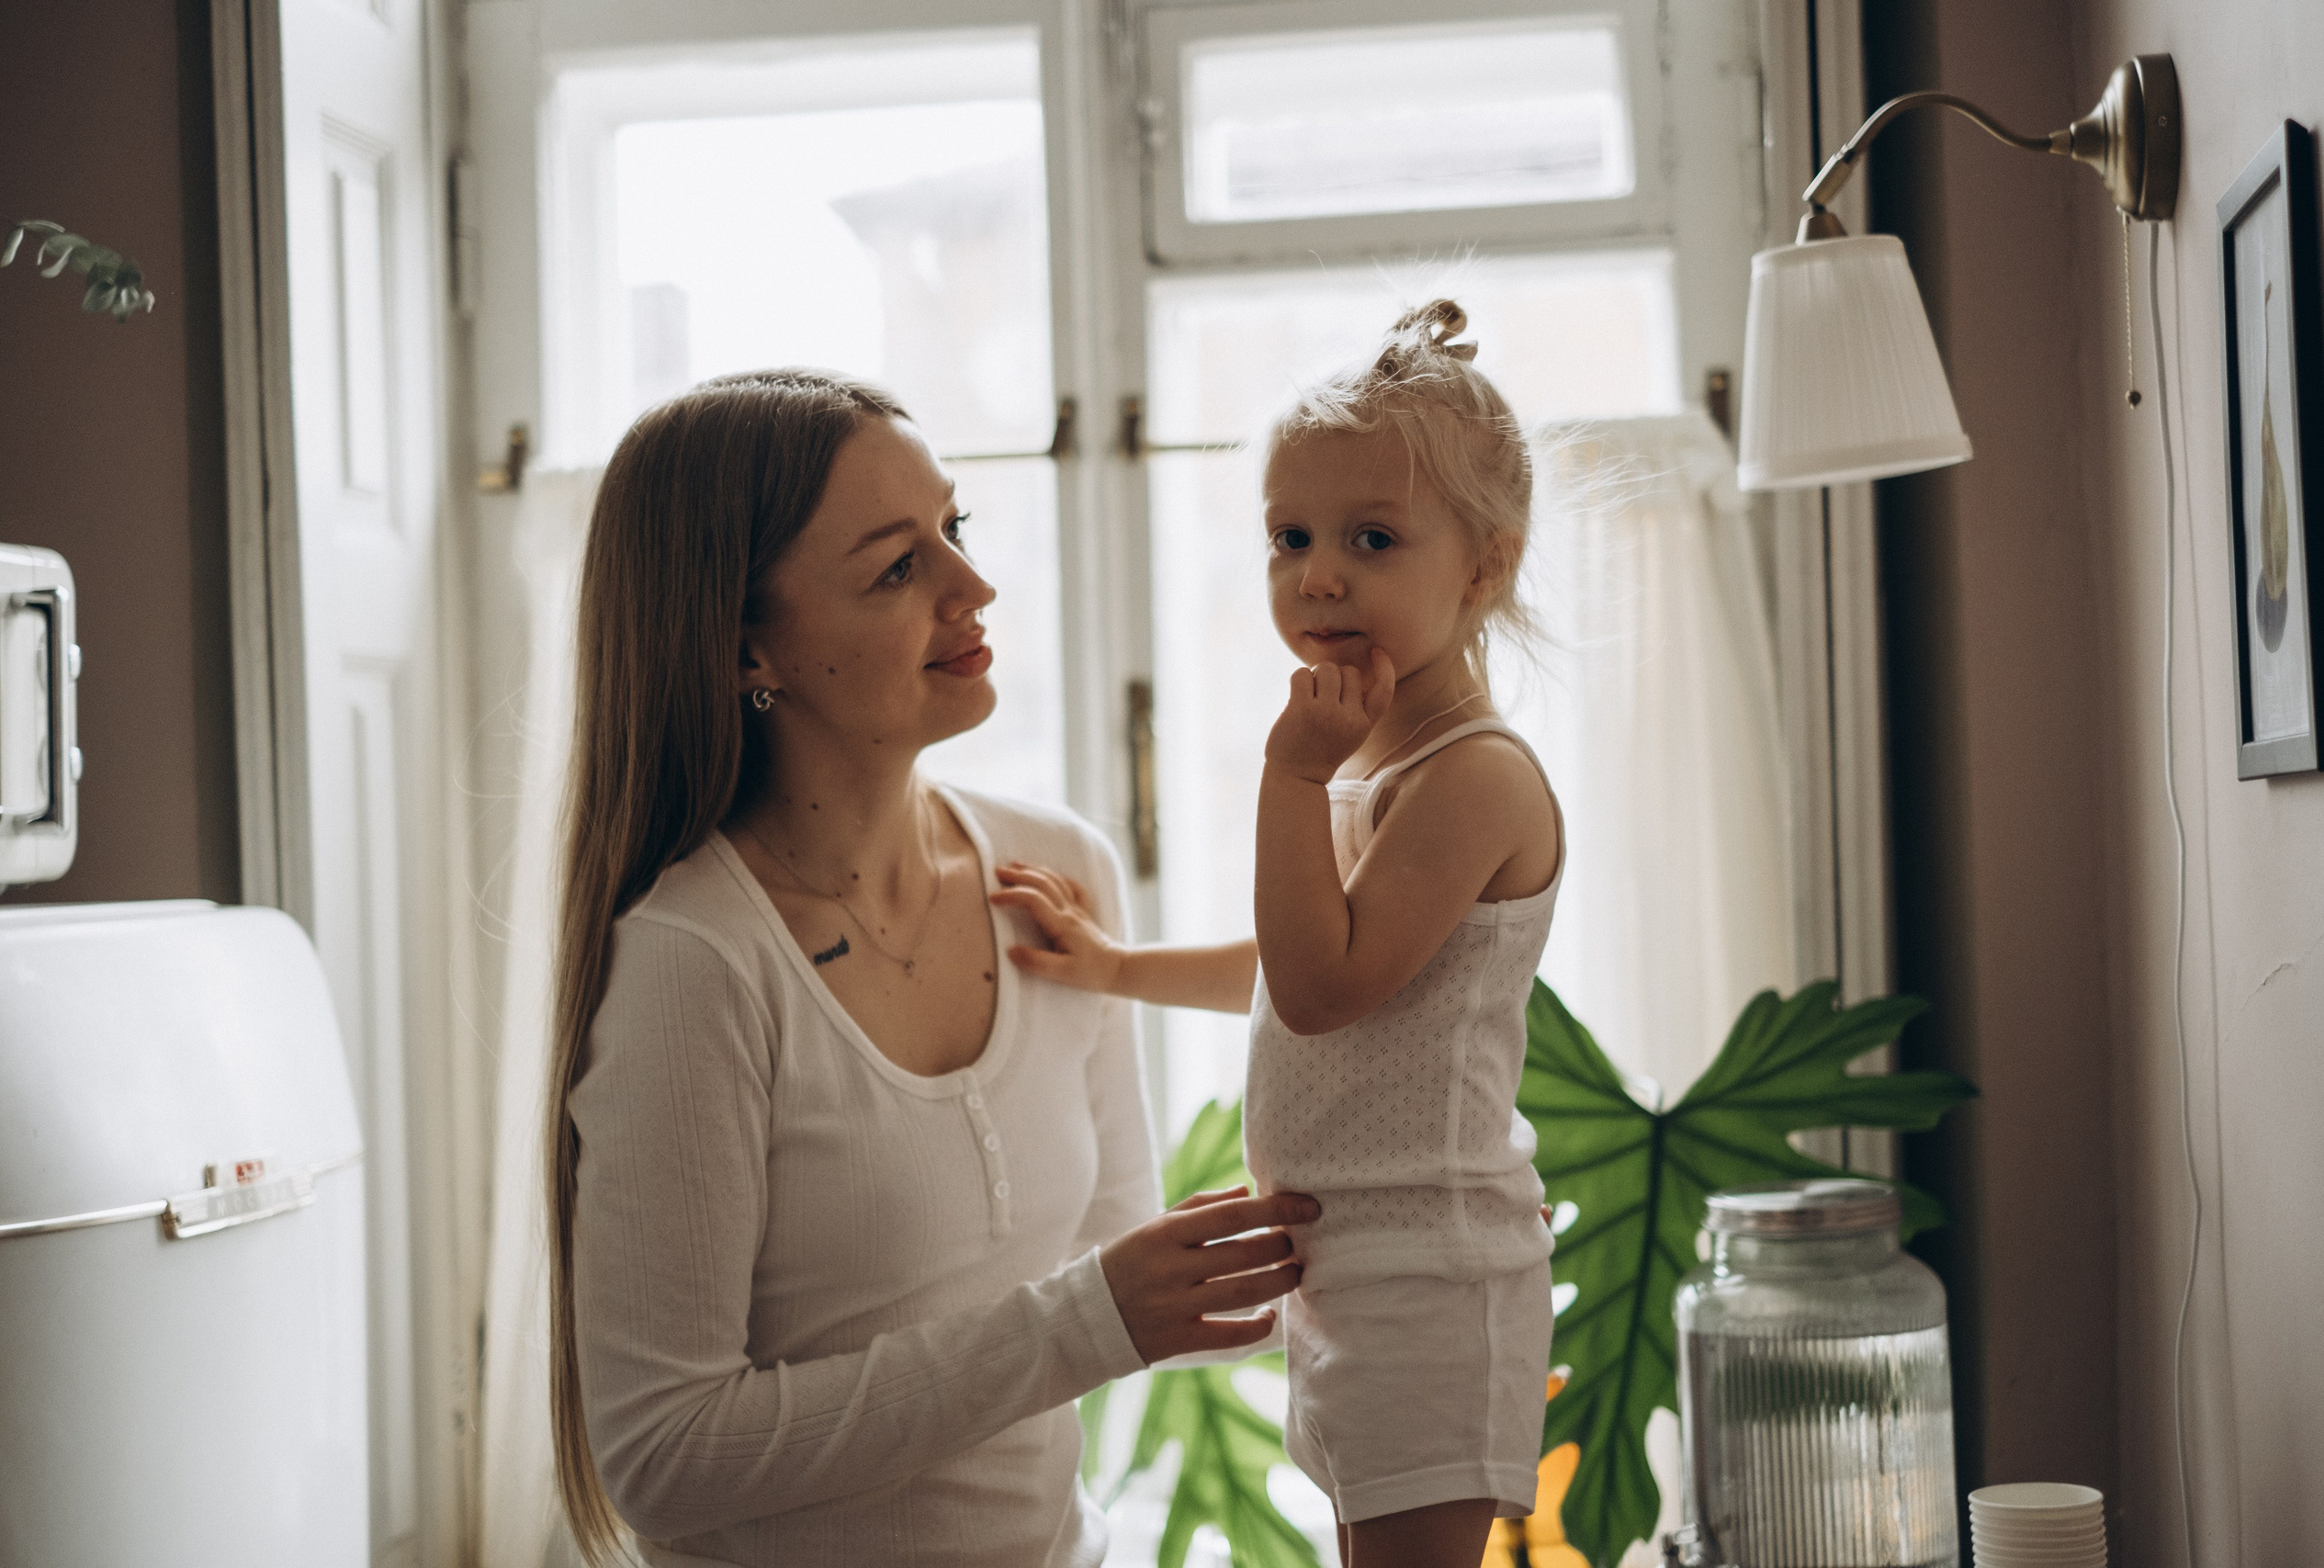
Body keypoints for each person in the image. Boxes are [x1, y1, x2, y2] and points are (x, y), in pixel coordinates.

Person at [542, 369, 1318, 1568]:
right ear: (750, 644)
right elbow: (663, 1456)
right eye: (899, 566)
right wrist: (1076, 1326)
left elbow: (1121, 1265)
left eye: (954, 529)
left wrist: (1415, 1244)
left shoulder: (1056, 877)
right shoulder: (695, 966)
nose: (976, 586)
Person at [992, 301, 1562, 1568]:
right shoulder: (1374, 757)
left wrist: (1288, 778)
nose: (1319, 575)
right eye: (1290, 537)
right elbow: (1310, 959)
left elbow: (1324, 987)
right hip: (1356, 1268)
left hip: (1436, 1279)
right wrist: (1114, 969)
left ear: (1485, 568)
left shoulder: (1473, 778)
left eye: (1372, 538)